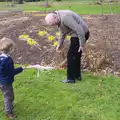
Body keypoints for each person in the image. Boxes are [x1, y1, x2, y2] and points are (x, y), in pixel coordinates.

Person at [45, 10, 89, 83]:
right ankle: (77, 76)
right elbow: (62, 32)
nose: (55, 26)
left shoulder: (65, 18)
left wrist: (82, 45)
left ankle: (71, 79)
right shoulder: (59, 19)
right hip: (77, 34)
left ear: (55, 18)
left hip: (81, 34)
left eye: (54, 24)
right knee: (76, 56)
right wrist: (59, 44)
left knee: (71, 57)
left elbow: (79, 29)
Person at [0, 37, 23, 119]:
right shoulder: (8, 60)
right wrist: (20, 69)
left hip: (1, 80)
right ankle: (9, 112)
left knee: (7, 95)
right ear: (10, 49)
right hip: (5, 82)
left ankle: (8, 106)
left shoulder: (1, 57)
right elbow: (11, 73)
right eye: (13, 48)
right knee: (9, 97)